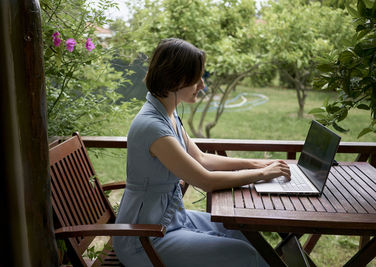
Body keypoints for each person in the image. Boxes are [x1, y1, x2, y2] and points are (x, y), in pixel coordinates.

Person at [112, 38, 291, 267]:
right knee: (245, 255)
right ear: (177, 78)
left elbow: (201, 158)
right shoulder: (152, 126)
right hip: (144, 238)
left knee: (245, 235)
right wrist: (262, 175)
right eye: (198, 79)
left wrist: (257, 164)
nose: (202, 85)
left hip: (170, 221)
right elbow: (205, 180)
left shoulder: (168, 115)